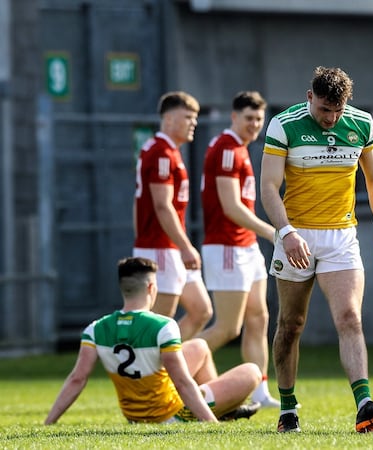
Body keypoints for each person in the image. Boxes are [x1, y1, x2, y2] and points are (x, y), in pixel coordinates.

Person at [260, 66, 373, 433]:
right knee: (291, 324)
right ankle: (288, 408)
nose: (331, 118)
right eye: (324, 110)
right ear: (310, 98)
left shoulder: (361, 124)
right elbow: (269, 187)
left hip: (341, 236)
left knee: (350, 318)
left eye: (337, 111)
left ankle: (364, 405)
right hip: (296, 235)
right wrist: (286, 232)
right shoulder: (283, 125)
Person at [44, 257, 262, 425]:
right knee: (252, 372)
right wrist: (210, 425)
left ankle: (224, 409)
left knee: (199, 346)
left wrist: (49, 422)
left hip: (134, 415)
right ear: (151, 288)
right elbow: (183, 383)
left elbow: (77, 379)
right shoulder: (163, 325)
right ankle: (219, 412)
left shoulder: (96, 328)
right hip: (170, 414)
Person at [197, 91, 279, 408]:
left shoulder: (241, 149)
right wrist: (272, 232)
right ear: (234, 117)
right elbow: (231, 207)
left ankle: (259, 392)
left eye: (259, 119)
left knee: (259, 318)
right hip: (227, 246)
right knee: (228, 327)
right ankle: (171, 371)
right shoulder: (227, 148)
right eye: (249, 118)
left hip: (245, 245)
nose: (254, 125)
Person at [133, 91, 213, 339]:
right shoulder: (161, 153)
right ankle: (148, 371)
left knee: (201, 311)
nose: (194, 123)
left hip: (168, 246)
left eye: (195, 117)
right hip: (162, 248)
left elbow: (139, 205)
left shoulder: (167, 151)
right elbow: (162, 206)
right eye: (188, 116)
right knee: (158, 324)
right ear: (168, 119)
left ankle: (169, 364)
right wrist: (186, 246)